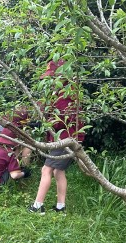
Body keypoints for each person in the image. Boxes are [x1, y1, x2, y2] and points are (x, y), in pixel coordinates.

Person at [28, 60, 84, 215]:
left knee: (46, 169)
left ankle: (37, 206)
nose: (50, 81)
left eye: (53, 77)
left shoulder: (67, 94)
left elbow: (63, 120)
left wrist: (45, 124)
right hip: (65, 138)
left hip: (65, 138)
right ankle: (61, 207)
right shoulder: (59, 92)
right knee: (58, 172)